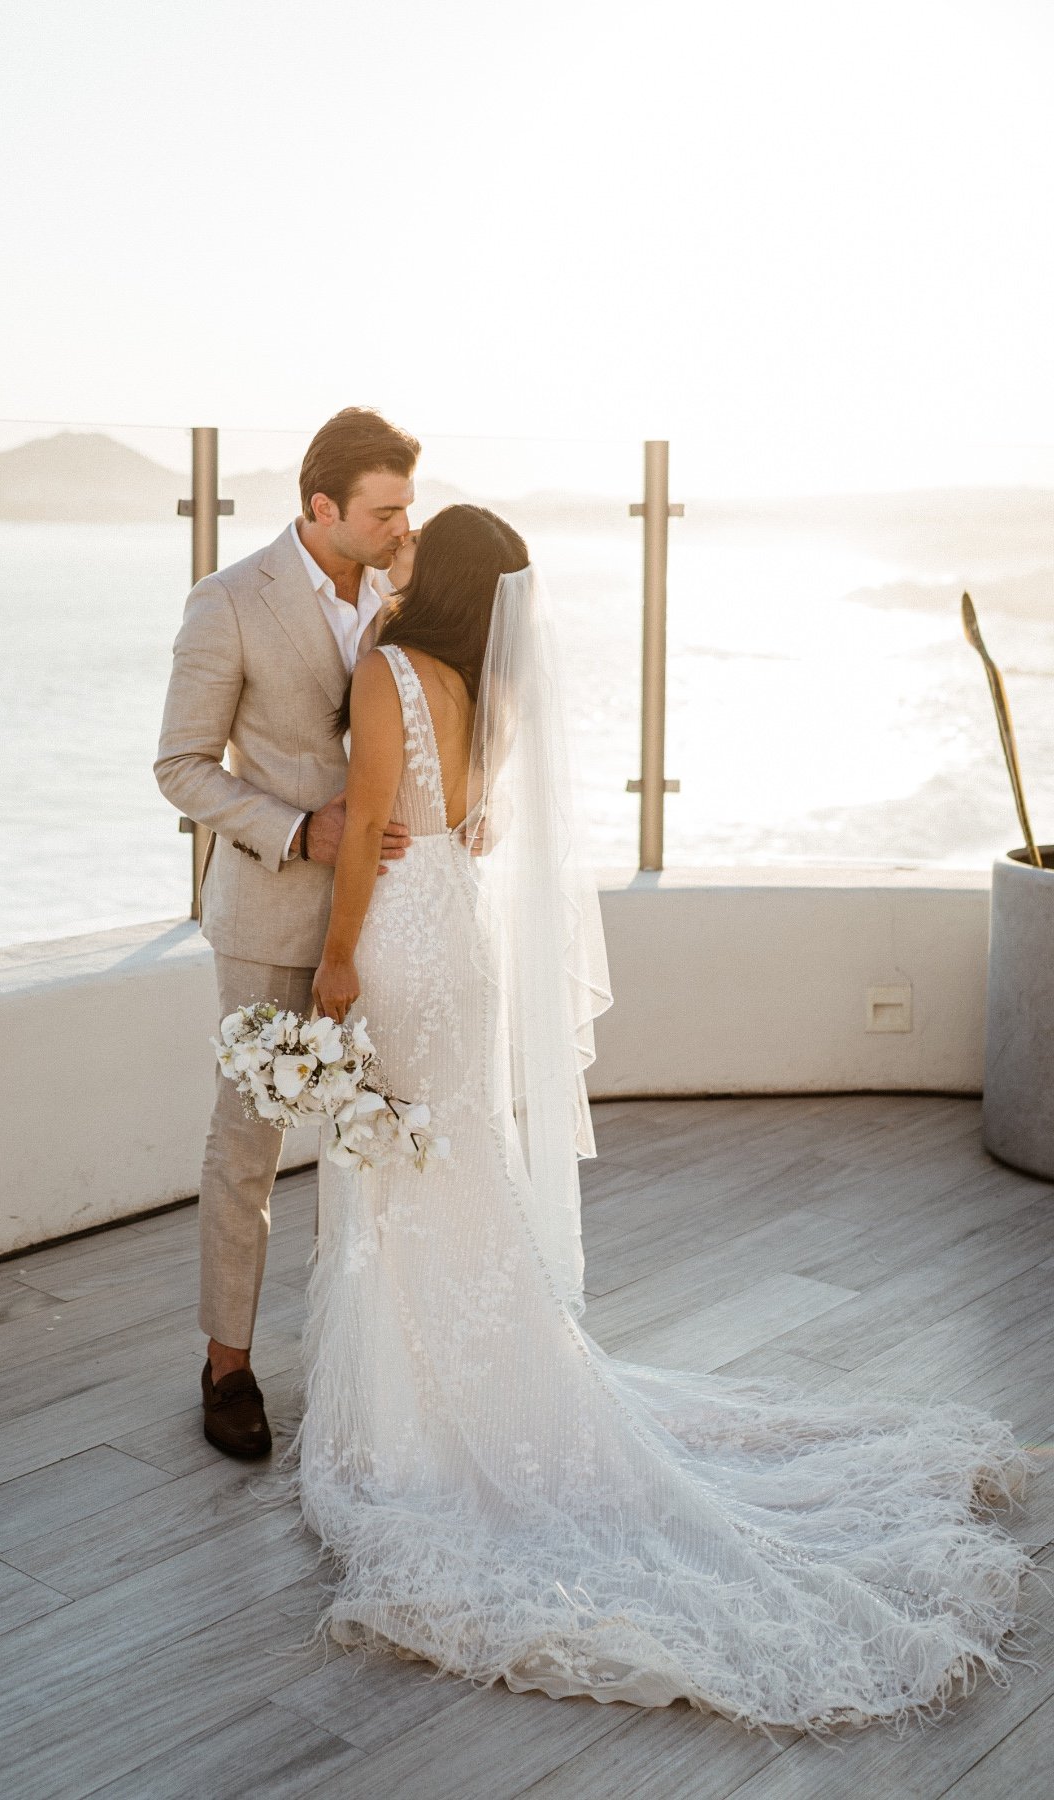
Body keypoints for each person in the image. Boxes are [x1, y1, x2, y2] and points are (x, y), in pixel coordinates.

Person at [287, 501, 1040, 1735]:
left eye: (420, 546)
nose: (399, 552)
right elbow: (474, 825)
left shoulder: (387, 670)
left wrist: (334, 961)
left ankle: (420, 1424)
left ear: (449, 577)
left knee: (398, 1163)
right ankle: (467, 1394)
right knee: (448, 1157)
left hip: (401, 944)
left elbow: (368, 828)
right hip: (459, 942)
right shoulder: (483, 689)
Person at [154, 406, 420, 1457]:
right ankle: (227, 1368)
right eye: (386, 510)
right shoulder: (226, 603)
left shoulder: (409, 591)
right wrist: (298, 829)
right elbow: (180, 765)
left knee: (381, 1135)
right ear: (323, 510)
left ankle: (375, 1356)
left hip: (389, 917)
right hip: (267, 911)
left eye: (409, 505)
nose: (406, 527)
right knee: (248, 1148)